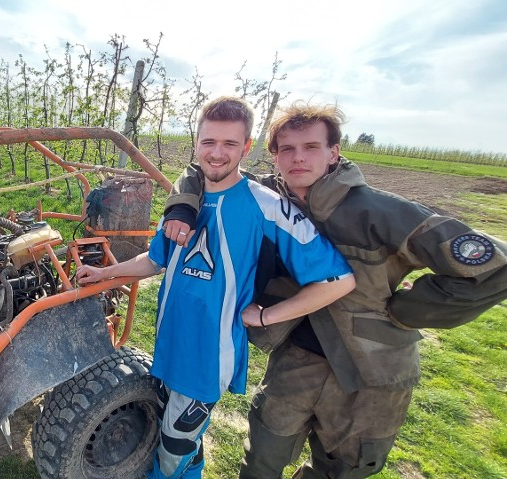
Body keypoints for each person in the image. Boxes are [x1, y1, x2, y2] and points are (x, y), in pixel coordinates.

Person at [163, 101, 507, 478]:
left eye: (311, 147)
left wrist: (404, 312)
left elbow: (493, 268)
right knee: (261, 458)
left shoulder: (379, 212)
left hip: (371, 369)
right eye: (287, 149)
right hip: (297, 357)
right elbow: (204, 168)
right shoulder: (269, 197)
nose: (298, 159)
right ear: (272, 155)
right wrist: (181, 207)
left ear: (333, 152)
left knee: (341, 469)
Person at [76, 96, 356, 479]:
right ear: (197, 143)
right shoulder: (184, 201)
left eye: (229, 144)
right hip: (170, 341)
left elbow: (337, 280)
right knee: (178, 437)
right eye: (209, 142)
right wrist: (106, 274)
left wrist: (266, 314)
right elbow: (156, 259)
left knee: (173, 448)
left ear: (246, 146)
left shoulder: (266, 205)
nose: (217, 153)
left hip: (209, 356)